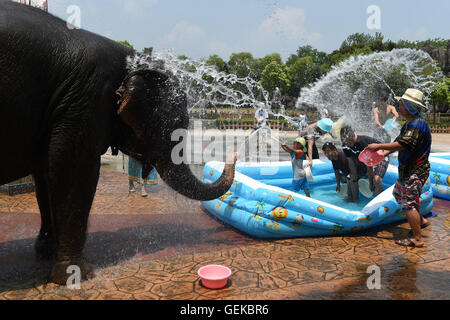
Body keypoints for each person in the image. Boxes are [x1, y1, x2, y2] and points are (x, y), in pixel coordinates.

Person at [367, 89, 431, 248]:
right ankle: (420, 220)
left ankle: (417, 238)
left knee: (408, 202)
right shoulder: (410, 124)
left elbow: (404, 144)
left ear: (409, 107)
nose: (399, 106)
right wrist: (384, 153)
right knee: (398, 193)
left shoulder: (416, 125)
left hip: (415, 170)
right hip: (408, 170)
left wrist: (379, 146)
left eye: (401, 104)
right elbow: (399, 142)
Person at [340, 125, 389, 201]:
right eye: (342, 138)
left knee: (376, 180)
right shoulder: (345, 146)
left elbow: (368, 165)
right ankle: (354, 200)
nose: (343, 141)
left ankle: (378, 203)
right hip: (370, 160)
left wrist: (371, 182)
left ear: (351, 136)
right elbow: (351, 163)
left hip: (382, 155)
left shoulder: (362, 142)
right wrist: (354, 176)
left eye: (345, 138)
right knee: (352, 176)